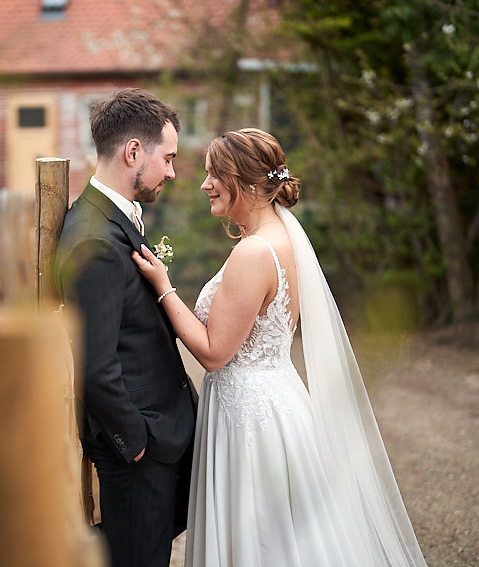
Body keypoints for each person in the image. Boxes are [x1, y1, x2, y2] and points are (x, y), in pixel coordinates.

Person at [132, 128, 427, 566]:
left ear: (247, 183)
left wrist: (163, 289)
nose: (204, 183)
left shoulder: (254, 252)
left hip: (251, 419)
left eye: (216, 174)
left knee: (263, 539)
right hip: (271, 400)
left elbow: (214, 353)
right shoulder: (279, 238)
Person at [54, 88, 197, 567]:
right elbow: (96, 365)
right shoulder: (93, 240)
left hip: (156, 437)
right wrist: (135, 443)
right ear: (133, 152)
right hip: (137, 451)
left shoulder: (110, 217)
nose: (172, 173)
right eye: (169, 159)